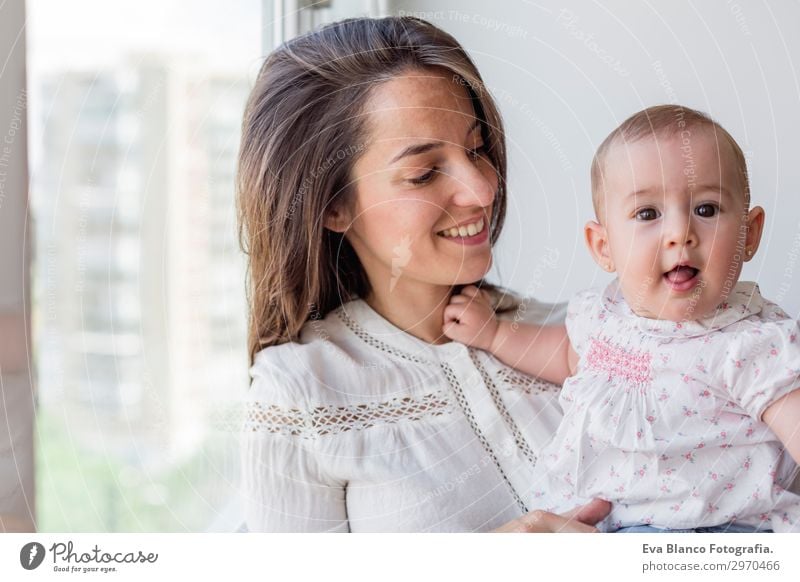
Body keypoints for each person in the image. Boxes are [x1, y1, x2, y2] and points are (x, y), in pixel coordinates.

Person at [236, 16, 611, 532]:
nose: (482, 188)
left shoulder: (587, 335)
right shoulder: (300, 394)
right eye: (424, 173)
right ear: (333, 207)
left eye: (477, 149)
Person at [444, 105, 800, 532]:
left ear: (750, 233)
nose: (680, 232)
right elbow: (564, 355)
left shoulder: (750, 345)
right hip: (610, 528)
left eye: (707, 208)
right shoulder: (603, 318)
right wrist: (496, 333)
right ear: (603, 246)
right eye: (648, 214)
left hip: (716, 533)